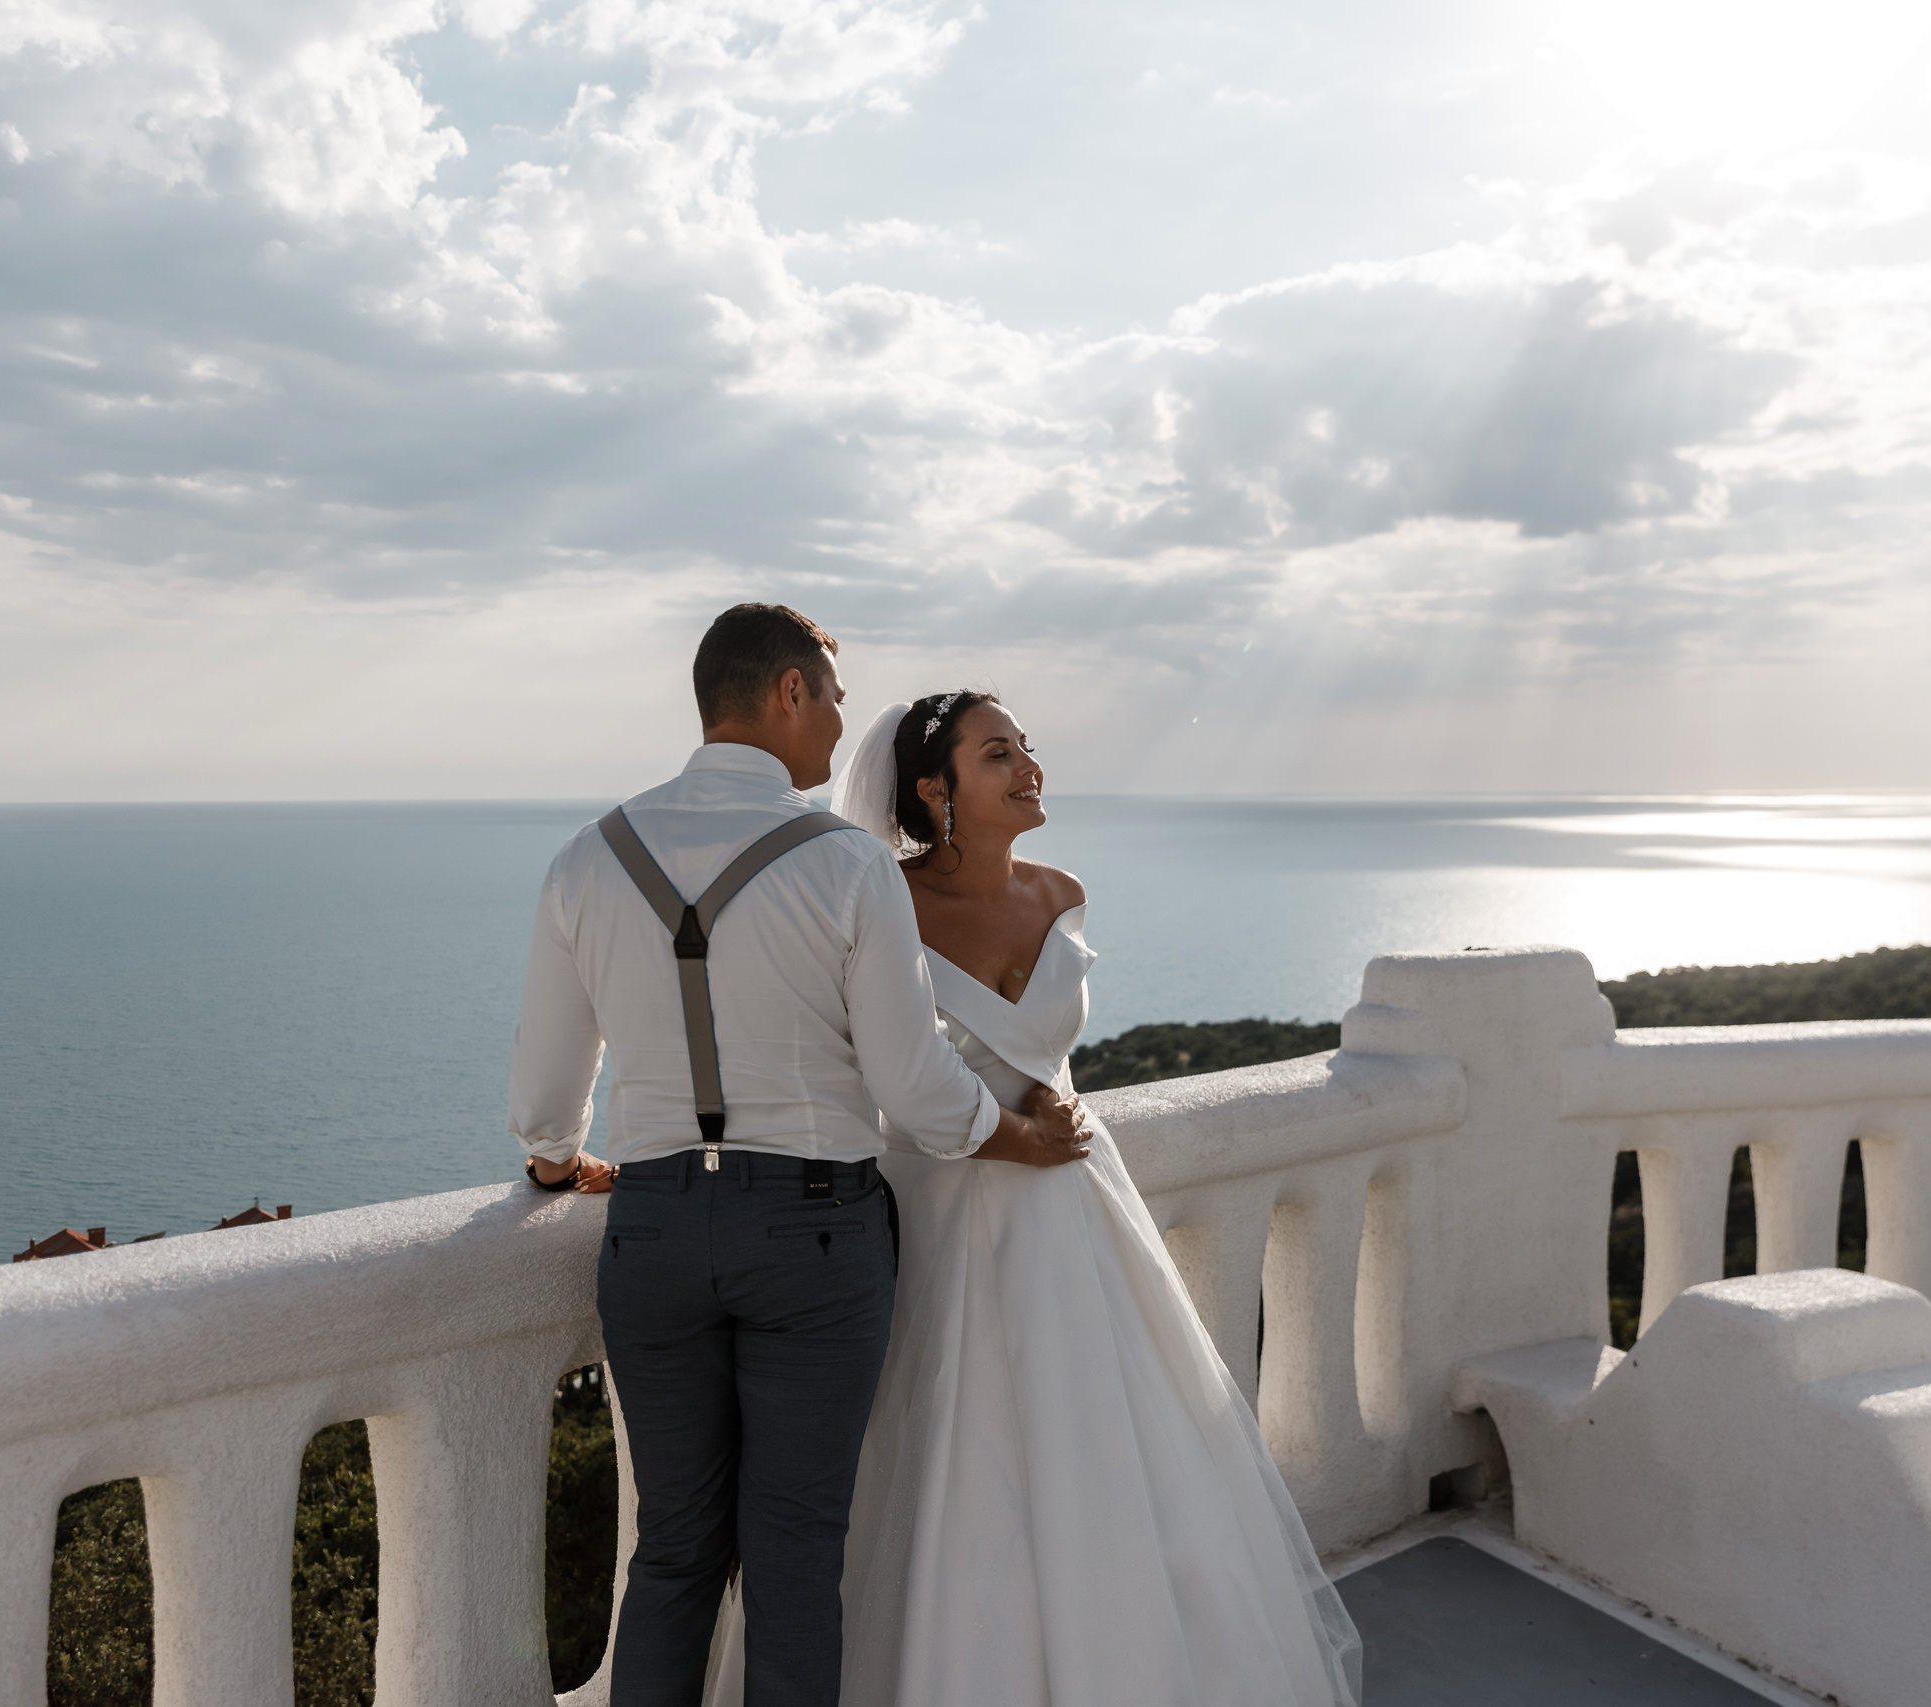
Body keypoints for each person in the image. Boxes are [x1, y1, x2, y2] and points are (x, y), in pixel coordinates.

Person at [505, 605, 1088, 1707]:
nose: (837, 723)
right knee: (790, 1556)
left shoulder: (587, 860)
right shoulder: (844, 864)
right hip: (816, 1237)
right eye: (829, 695)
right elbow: (920, 1096)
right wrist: (1021, 1135)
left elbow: (543, 1101)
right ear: (784, 693)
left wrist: (554, 1164)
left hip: (656, 1230)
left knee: (671, 1550)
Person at [825, 690, 1365, 1707]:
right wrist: (1005, 1135)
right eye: (998, 755)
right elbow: (884, 1070)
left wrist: (1042, 1134)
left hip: (1075, 1200)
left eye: (1026, 748)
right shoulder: (878, 901)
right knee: (957, 1451)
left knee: (1111, 1445)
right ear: (934, 790)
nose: (1030, 767)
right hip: (945, 1208)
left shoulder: (1062, 890)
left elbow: (1046, 1056)